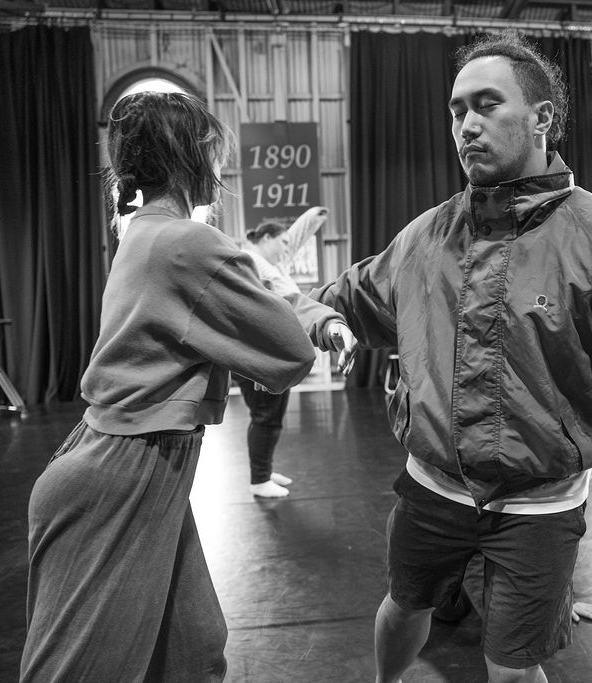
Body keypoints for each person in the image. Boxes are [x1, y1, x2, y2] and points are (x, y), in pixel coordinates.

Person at [311, 32, 592, 683]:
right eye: (456, 110)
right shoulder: (427, 235)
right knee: (404, 604)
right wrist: (325, 316)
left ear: (542, 118)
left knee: (511, 667)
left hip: (539, 503)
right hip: (432, 485)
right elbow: (354, 295)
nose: (467, 124)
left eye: (486, 104)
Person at [19, 91, 357, 682]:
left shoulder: (144, 232)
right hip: (126, 469)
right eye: (213, 151)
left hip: (125, 460)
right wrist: (317, 324)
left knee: (193, 649)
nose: (219, 168)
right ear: (190, 154)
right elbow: (284, 348)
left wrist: (318, 316)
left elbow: (250, 286)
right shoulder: (186, 242)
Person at [236, 211, 329, 498]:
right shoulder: (251, 262)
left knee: (268, 416)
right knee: (266, 416)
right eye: (282, 243)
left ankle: (263, 471)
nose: (287, 249)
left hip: (270, 355)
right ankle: (259, 480)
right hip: (260, 357)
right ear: (266, 238)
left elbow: (295, 239)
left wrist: (313, 218)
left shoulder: (271, 262)